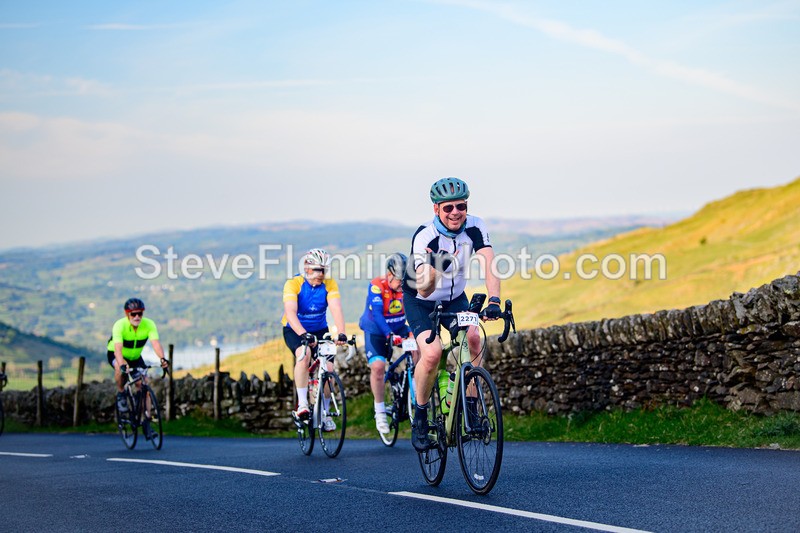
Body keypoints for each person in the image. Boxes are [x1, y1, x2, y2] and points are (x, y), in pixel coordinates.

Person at [402, 177, 503, 451]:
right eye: (448, 208)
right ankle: (420, 418)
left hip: (455, 298)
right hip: (420, 300)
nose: (456, 212)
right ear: (436, 209)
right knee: (432, 353)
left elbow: (490, 265)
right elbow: (422, 289)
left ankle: (469, 408)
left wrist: (494, 299)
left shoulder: (476, 226)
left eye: (461, 206)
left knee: (473, 339)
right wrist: (435, 267)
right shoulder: (425, 237)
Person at [282, 248, 348, 431]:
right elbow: (290, 313)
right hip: (294, 329)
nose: (321, 274)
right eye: (317, 269)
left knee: (328, 368)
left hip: (320, 329)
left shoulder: (329, 284)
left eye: (324, 270)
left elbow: (336, 309)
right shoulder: (293, 283)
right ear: (307, 267)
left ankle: (325, 413)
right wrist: (303, 334)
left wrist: (341, 332)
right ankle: (303, 404)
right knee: (304, 355)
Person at [358, 253, 414, 434]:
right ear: (389, 275)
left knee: (420, 348)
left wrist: (414, 332)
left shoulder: (408, 285)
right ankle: (380, 411)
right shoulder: (376, 286)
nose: (402, 284)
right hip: (376, 330)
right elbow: (378, 315)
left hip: (398, 326)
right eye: (399, 280)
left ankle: (415, 391)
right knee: (378, 366)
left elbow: (415, 309)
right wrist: (389, 335)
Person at [107, 298, 168, 437]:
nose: (137, 317)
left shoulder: (149, 324)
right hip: (117, 354)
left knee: (143, 385)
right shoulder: (119, 325)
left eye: (140, 314)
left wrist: (162, 359)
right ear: (126, 314)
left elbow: (156, 344)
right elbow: (117, 349)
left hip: (135, 357)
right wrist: (122, 364)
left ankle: (146, 421)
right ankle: (121, 392)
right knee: (118, 368)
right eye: (133, 314)